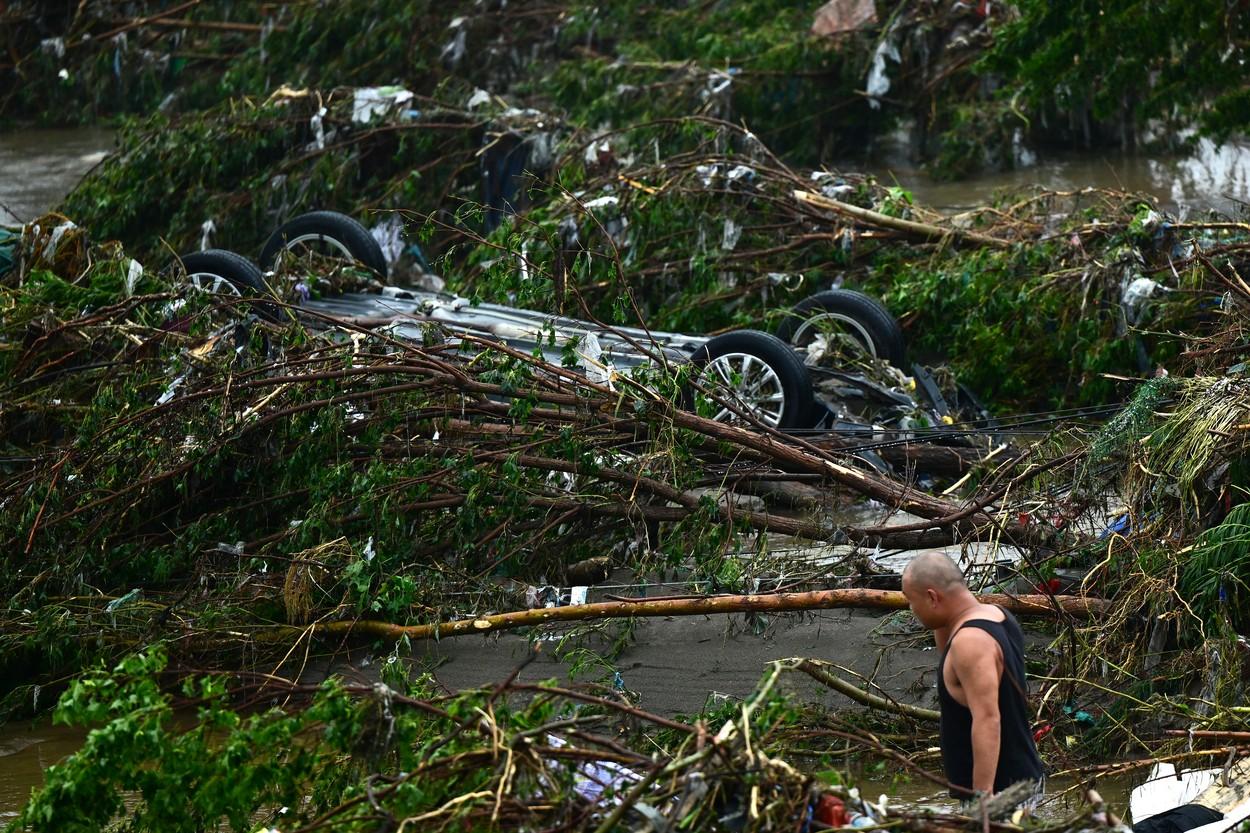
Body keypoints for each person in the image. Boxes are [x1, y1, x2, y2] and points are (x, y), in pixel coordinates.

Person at [900, 552, 1044, 803]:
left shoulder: (971, 642)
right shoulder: (996, 615)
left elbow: (988, 718)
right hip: (1019, 776)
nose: (912, 609)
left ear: (933, 597)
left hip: (1002, 791)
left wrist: (983, 799)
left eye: (912, 601)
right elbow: (948, 656)